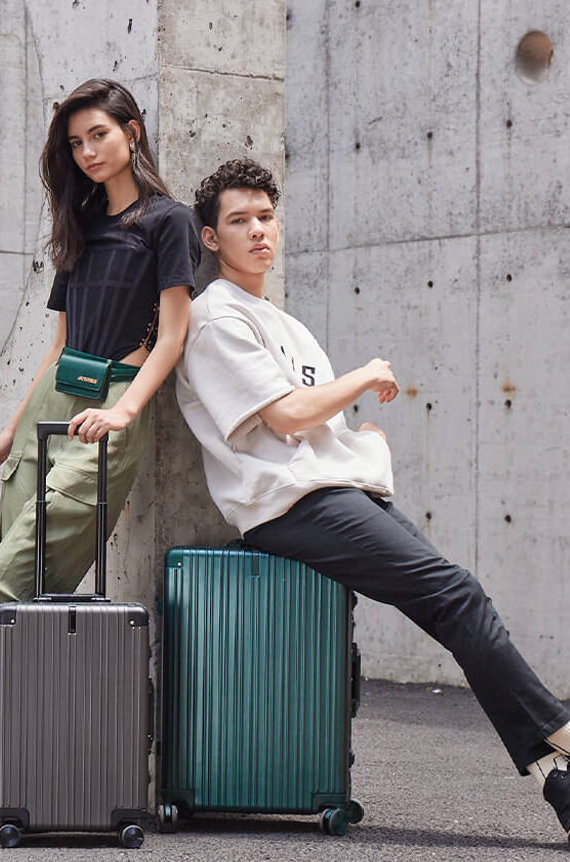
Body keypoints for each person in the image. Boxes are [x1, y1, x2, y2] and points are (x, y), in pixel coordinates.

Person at [175, 158, 570, 843]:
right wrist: (364, 376)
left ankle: (557, 781)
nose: (258, 230)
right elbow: (287, 416)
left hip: (336, 490)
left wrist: (358, 440)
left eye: (265, 216)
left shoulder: (283, 322)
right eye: (239, 221)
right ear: (211, 238)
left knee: (455, 604)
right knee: (458, 595)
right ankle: (563, 737)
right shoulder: (216, 318)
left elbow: (308, 423)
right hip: (292, 506)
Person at [0, 79, 199, 832]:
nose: (87, 152)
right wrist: (9, 428)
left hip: (108, 411)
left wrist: (124, 410)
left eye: (99, 136)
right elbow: (56, 347)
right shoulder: (79, 222)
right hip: (52, 406)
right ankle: (11, 768)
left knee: (8, 585)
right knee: (24, 606)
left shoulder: (169, 221)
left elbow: (173, 335)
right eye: (76, 143)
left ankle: (31, 748)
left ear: (133, 132)